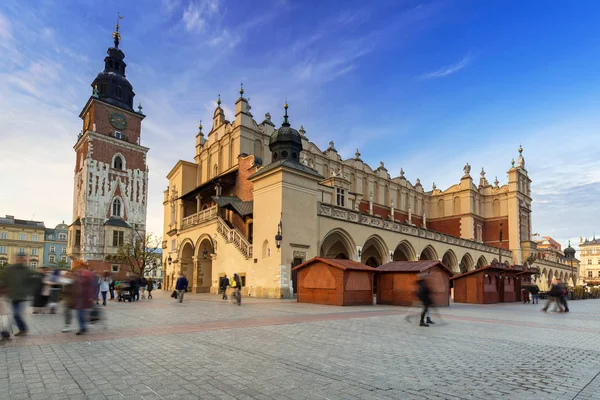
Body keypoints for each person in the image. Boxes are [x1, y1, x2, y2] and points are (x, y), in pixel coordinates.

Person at [0, 253, 33, 336]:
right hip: (12, 296)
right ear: (15, 259)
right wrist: (2, 291)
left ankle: (6, 331)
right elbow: (4, 282)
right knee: (15, 314)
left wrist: (28, 291)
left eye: (23, 258)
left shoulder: (27, 270)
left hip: (22, 296)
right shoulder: (9, 269)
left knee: (16, 314)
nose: (22, 260)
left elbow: (31, 283)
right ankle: (23, 329)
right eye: (20, 258)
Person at [75, 268, 95, 335]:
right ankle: (83, 327)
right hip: (82, 299)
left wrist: (90, 297)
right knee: (80, 314)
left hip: (85, 299)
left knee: (80, 314)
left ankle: (82, 327)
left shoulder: (86, 280)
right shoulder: (85, 279)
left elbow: (90, 289)